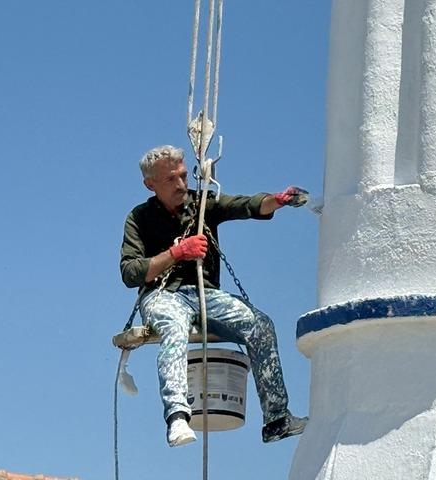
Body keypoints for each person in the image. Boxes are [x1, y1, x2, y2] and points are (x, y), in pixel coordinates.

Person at [120, 145, 308, 447]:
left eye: (183, 176)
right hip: (163, 295)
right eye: (171, 180)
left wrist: (278, 200)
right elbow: (130, 273)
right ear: (150, 185)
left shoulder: (202, 204)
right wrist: (177, 253)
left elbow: (245, 205)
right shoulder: (139, 218)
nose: (182, 184)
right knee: (173, 325)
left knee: (259, 325)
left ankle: (276, 419)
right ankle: (178, 417)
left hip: (206, 295)